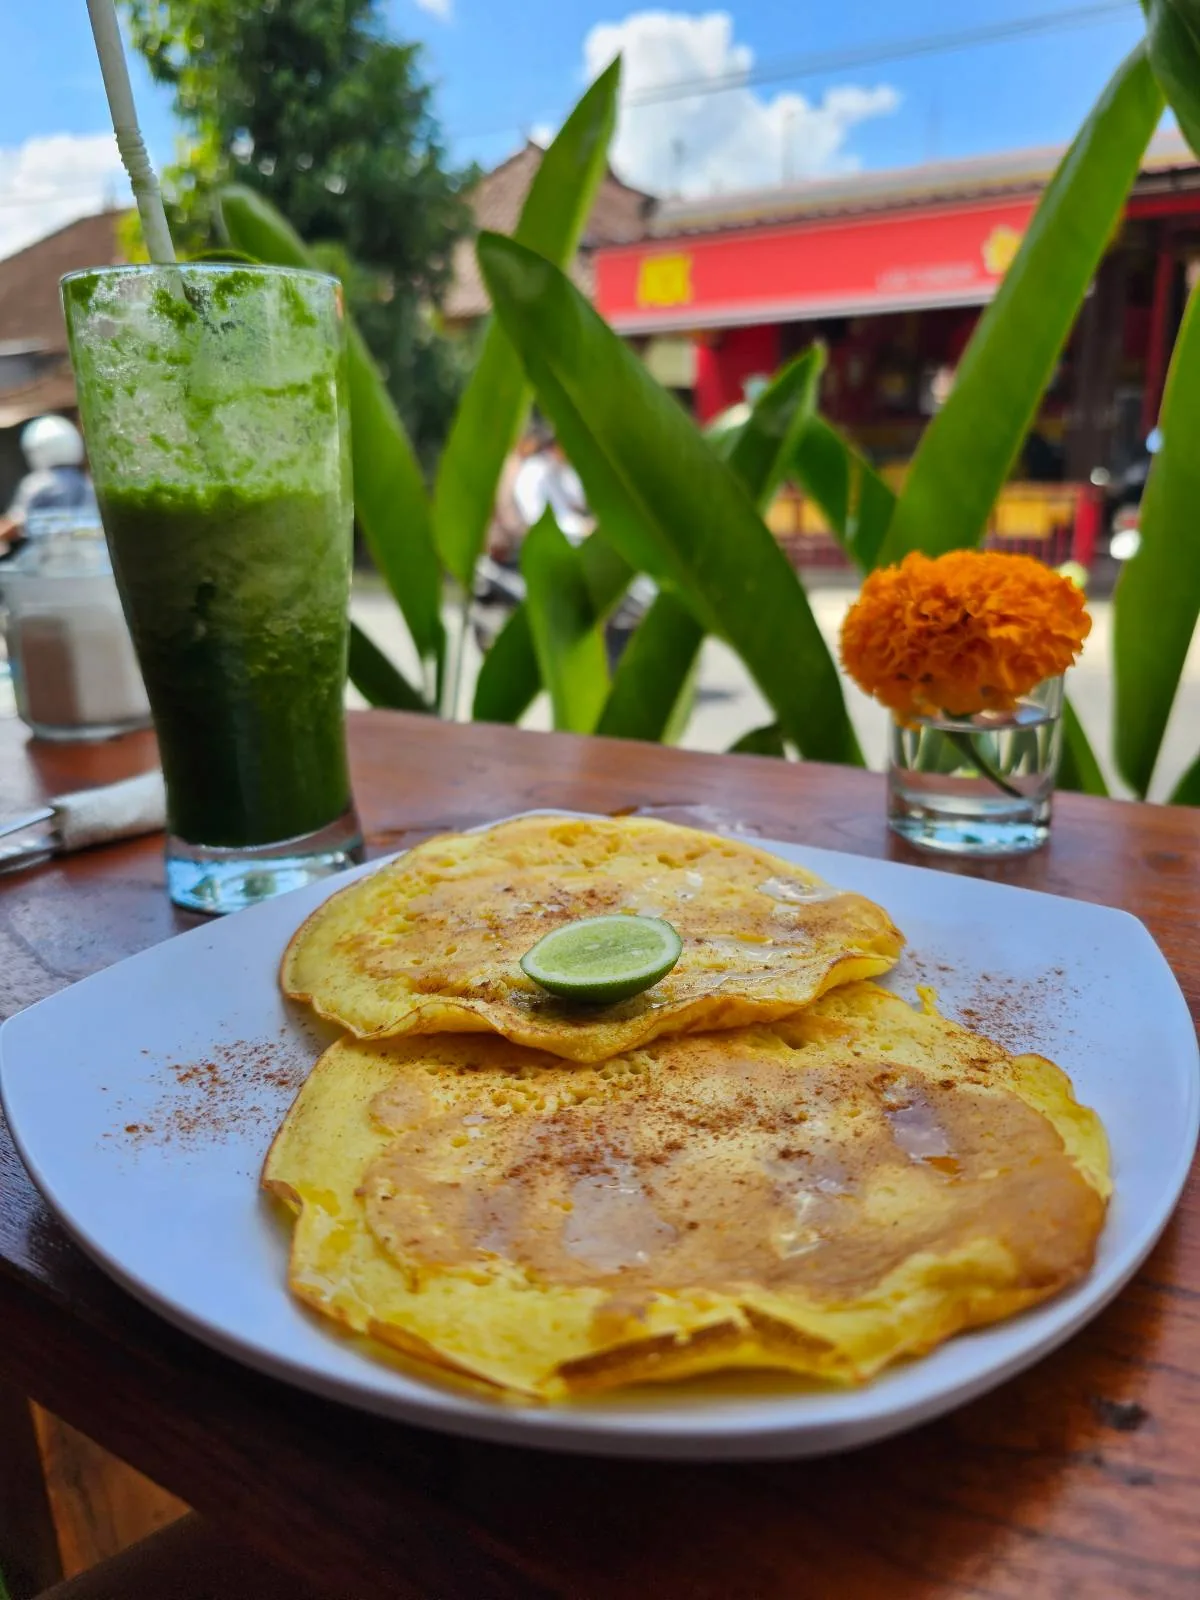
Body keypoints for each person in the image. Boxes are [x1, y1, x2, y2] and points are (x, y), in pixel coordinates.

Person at [0, 415, 98, 553]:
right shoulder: (87, 482)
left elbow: (14, 524)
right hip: (88, 560)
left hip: (48, 563)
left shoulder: (37, 484)